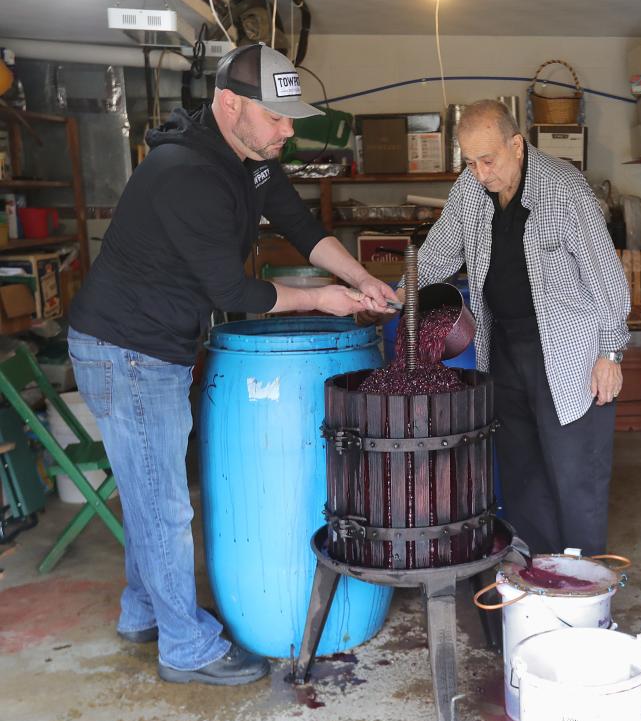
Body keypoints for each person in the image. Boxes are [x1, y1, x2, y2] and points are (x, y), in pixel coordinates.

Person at [67, 43, 397, 686]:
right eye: (277, 117)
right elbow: (235, 296)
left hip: (150, 344)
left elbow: (300, 224)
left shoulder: (249, 156)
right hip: (127, 351)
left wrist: (361, 279)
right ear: (229, 104)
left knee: (146, 488)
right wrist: (326, 300)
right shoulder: (187, 174)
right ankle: (185, 648)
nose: (289, 130)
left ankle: (143, 610)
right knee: (163, 503)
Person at [386, 99, 629, 556]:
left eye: (488, 160)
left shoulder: (563, 189)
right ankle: (537, 580)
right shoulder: (470, 189)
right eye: (470, 162)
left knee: (575, 476)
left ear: (517, 145)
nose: (479, 173)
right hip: (503, 346)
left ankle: (584, 596)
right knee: (522, 474)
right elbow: (439, 252)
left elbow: (607, 278)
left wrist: (610, 353)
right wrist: (395, 296)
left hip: (569, 351)